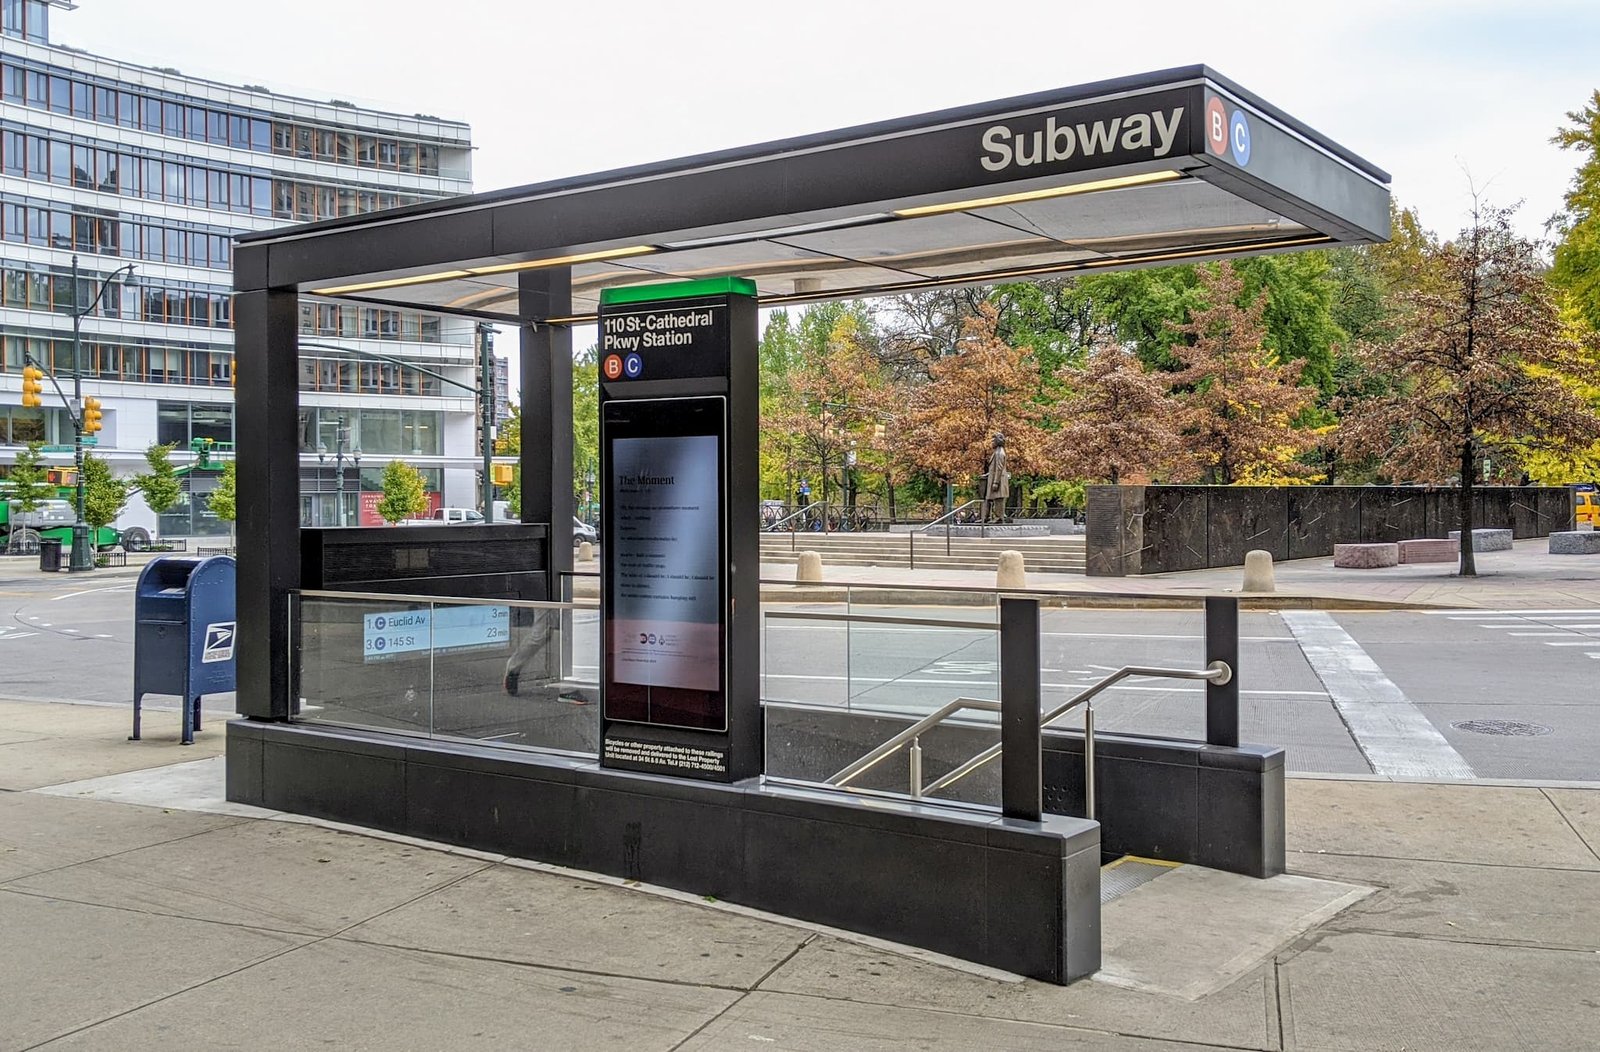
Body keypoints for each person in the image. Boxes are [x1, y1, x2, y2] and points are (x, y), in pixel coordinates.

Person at [983, 433, 1009, 524]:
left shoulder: (999, 453)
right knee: (988, 498)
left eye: (993, 441)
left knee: (998, 499)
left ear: (998, 442)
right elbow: (994, 468)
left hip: (998, 480)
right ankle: (986, 517)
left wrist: (996, 482)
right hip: (994, 478)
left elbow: (999, 468)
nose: (991, 443)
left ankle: (999, 518)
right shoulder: (996, 452)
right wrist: (988, 474)